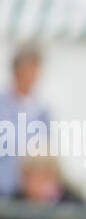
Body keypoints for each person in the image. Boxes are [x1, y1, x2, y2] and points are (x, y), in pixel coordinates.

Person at [0, 44, 51, 199]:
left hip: (29, 196)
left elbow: (45, 153)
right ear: (18, 72)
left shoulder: (42, 112)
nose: (34, 77)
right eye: (30, 71)